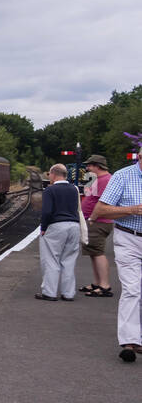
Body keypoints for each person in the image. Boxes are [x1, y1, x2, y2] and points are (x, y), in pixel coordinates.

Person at [90, 148, 142, 361]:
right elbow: (101, 210)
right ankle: (130, 342)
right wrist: (133, 209)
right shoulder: (123, 176)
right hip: (129, 237)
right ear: (140, 156)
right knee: (132, 289)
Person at [36, 164, 81, 301]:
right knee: (69, 260)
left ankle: (49, 292)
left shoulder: (50, 190)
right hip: (74, 226)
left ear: (53, 174)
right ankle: (68, 293)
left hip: (56, 226)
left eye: (49, 175)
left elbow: (47, 211)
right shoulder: (74, 189)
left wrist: (43, 228)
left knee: (51, 259)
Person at [78, 155, 113, 296]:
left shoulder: (106, 180)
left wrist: (93, 218)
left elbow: (104, 202)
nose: (87, 168)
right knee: (93, 252)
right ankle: (97, 283)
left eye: (90, 166)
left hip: (98, 222)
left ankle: (104, 285)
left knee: (98, 253)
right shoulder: (96, 179)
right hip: (92, 221)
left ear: (97, 166)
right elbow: (88, 195)